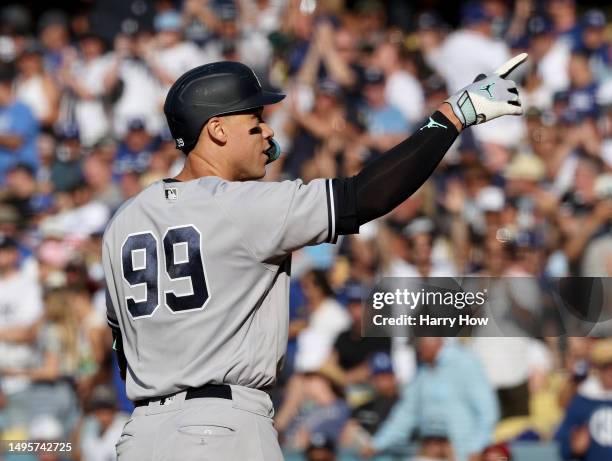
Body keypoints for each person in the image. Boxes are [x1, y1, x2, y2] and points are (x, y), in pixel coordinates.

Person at [103, 55, 527, 460]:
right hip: (220, 430)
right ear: (216, 129)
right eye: (255, 121)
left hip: (142, 435)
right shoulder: (241, 205)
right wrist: (453, 116)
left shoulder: (124, 220)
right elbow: (364, 196)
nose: (268, 132)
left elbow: (123, 347)